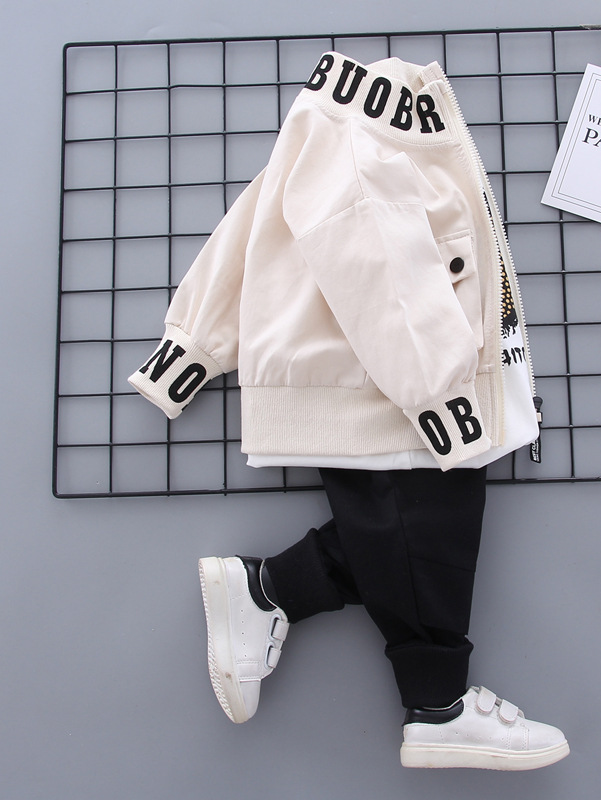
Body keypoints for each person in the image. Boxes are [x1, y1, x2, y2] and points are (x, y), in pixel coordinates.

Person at [129, 50, 569, 771]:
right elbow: (387, 268)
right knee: (430, 531)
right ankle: (437, 706)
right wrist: (442, 396)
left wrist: (192, 348)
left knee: (410, 538)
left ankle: (268, 590)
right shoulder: (369, 128)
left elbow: (256, 225)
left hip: (382, 382)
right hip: (390, 390)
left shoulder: (338, 121)